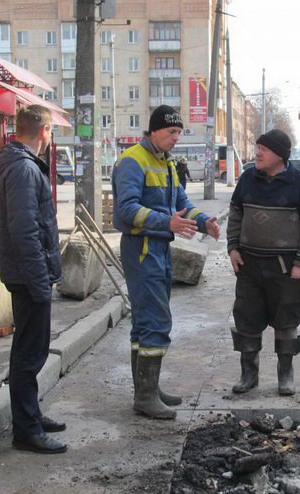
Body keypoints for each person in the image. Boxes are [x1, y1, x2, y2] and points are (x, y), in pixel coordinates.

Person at [112, 105, 220, 420]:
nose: (176, 138)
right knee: (156, 321)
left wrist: (204, 222)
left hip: (158, 247)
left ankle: (146, 389)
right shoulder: (133, 160)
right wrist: (167, 223)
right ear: (155, 130)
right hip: (142, 248)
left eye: (178, 133)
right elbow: (127, 209)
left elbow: (181, 203)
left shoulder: (166, 162)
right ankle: (145, 397)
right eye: (171, 132)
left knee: (145, 322)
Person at [0, 105, 67, 454]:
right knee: (29, 354)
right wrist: (40, 281)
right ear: (45, 130)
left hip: (26, 272)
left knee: (30, 350)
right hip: (29, 275)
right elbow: (24, 231)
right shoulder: (23, 168)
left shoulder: (15, 162)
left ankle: (31, 415)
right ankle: (26, 430)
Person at [227, 129, 300, 395]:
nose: (257, 153)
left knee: (286, 320)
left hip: (286, 268)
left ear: (279, 155)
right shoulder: (248, 178)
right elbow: (235, 214)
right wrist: (232, 248)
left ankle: (285, 374)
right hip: (249, 266)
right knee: (247, 318)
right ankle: (249, 374)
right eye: (257, 147)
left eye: (264, 149)